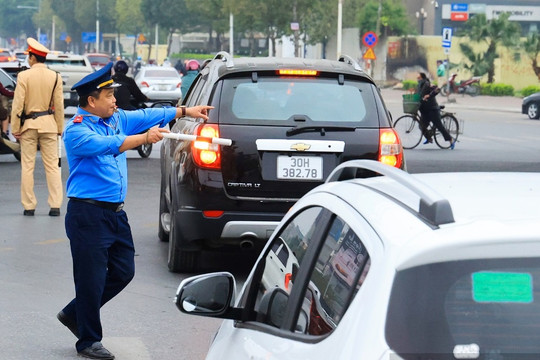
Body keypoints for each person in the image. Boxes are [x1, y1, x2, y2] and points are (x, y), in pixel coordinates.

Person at [57, 62, 212, 360]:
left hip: (115, 214)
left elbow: (146, 115)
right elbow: (111, 145)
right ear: (92, 101)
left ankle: (75, 312)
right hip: (87, 215)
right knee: (90, 279)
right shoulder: (77, 130)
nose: (116, 100)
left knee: (123, 271)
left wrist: (183, 112)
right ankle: (88, 340)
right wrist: (145, 139)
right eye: (110, 96)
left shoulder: (117, 119)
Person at [10, 38, 64, 216]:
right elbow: (59, 105)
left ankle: (29, 206)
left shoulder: (24, 76)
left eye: (29, 56)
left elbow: (18, 105)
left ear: (32, 58)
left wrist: (15, 128)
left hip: (29, 126)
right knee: (52, 166)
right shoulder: (55, 76)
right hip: (49, 125)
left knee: (28, 166)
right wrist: (59, 128)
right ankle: (55, 205)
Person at [416, 72, 455, 149]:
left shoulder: (427, 84)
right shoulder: (419, 86)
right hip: (425, 110)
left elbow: (437, 89)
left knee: (439, 126)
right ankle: (429, 138)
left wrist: (429, 95)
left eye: (419, 78)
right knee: (421, 126)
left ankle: (450, 139)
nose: (418, 79)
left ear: (422, 78)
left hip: (432, 109)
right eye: (417, 78)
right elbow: (418, 95)